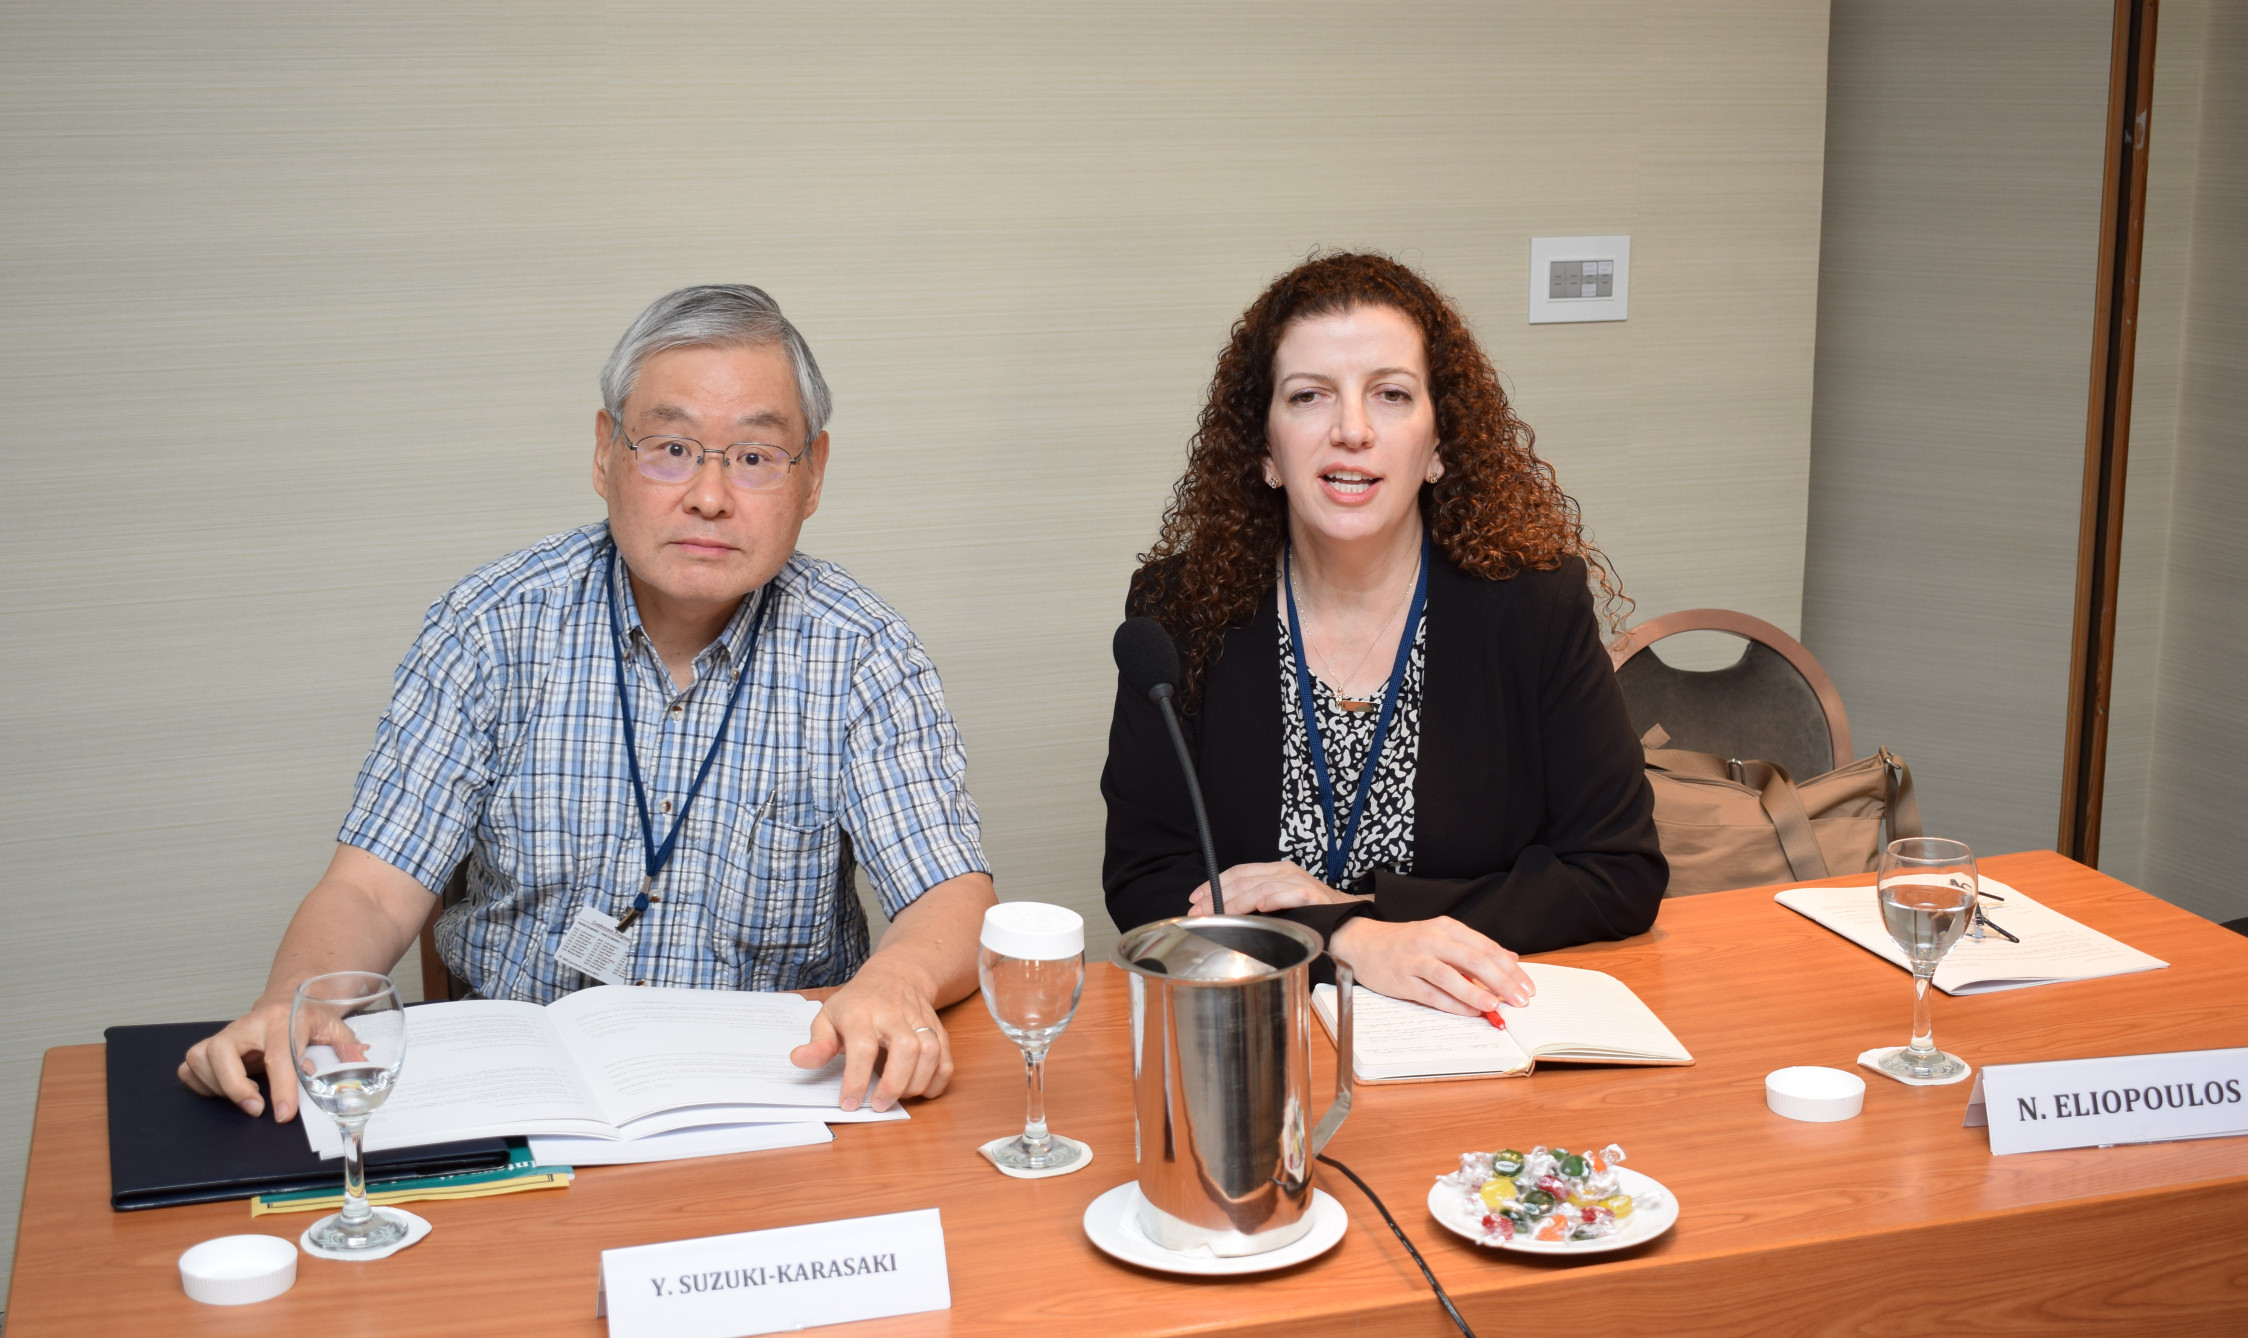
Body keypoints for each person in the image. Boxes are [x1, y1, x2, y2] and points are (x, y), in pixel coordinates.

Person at [182, 285, 995, 1118]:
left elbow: (953, 897)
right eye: (671, 448)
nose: (710, 496)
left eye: (754, 457)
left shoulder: (862, 652)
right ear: (606, 453)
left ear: (812, 474)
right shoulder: (492, 626)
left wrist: (897, 980)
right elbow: (369, 891)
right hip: (517, 1094)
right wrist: (294, 1000)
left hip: (771, 1098)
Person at [1101, 252, 1663, 1016]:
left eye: (1391, 394)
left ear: (1438, 445)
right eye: (1309, 396)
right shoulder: (1181, 609)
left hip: (1471, 1026)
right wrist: (1344, 939)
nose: (1352, 431)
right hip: (1258, 1031)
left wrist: (1362, 910)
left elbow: (1617, 873)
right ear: (1265, 449)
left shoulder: (1532, 605)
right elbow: (1146, 880)